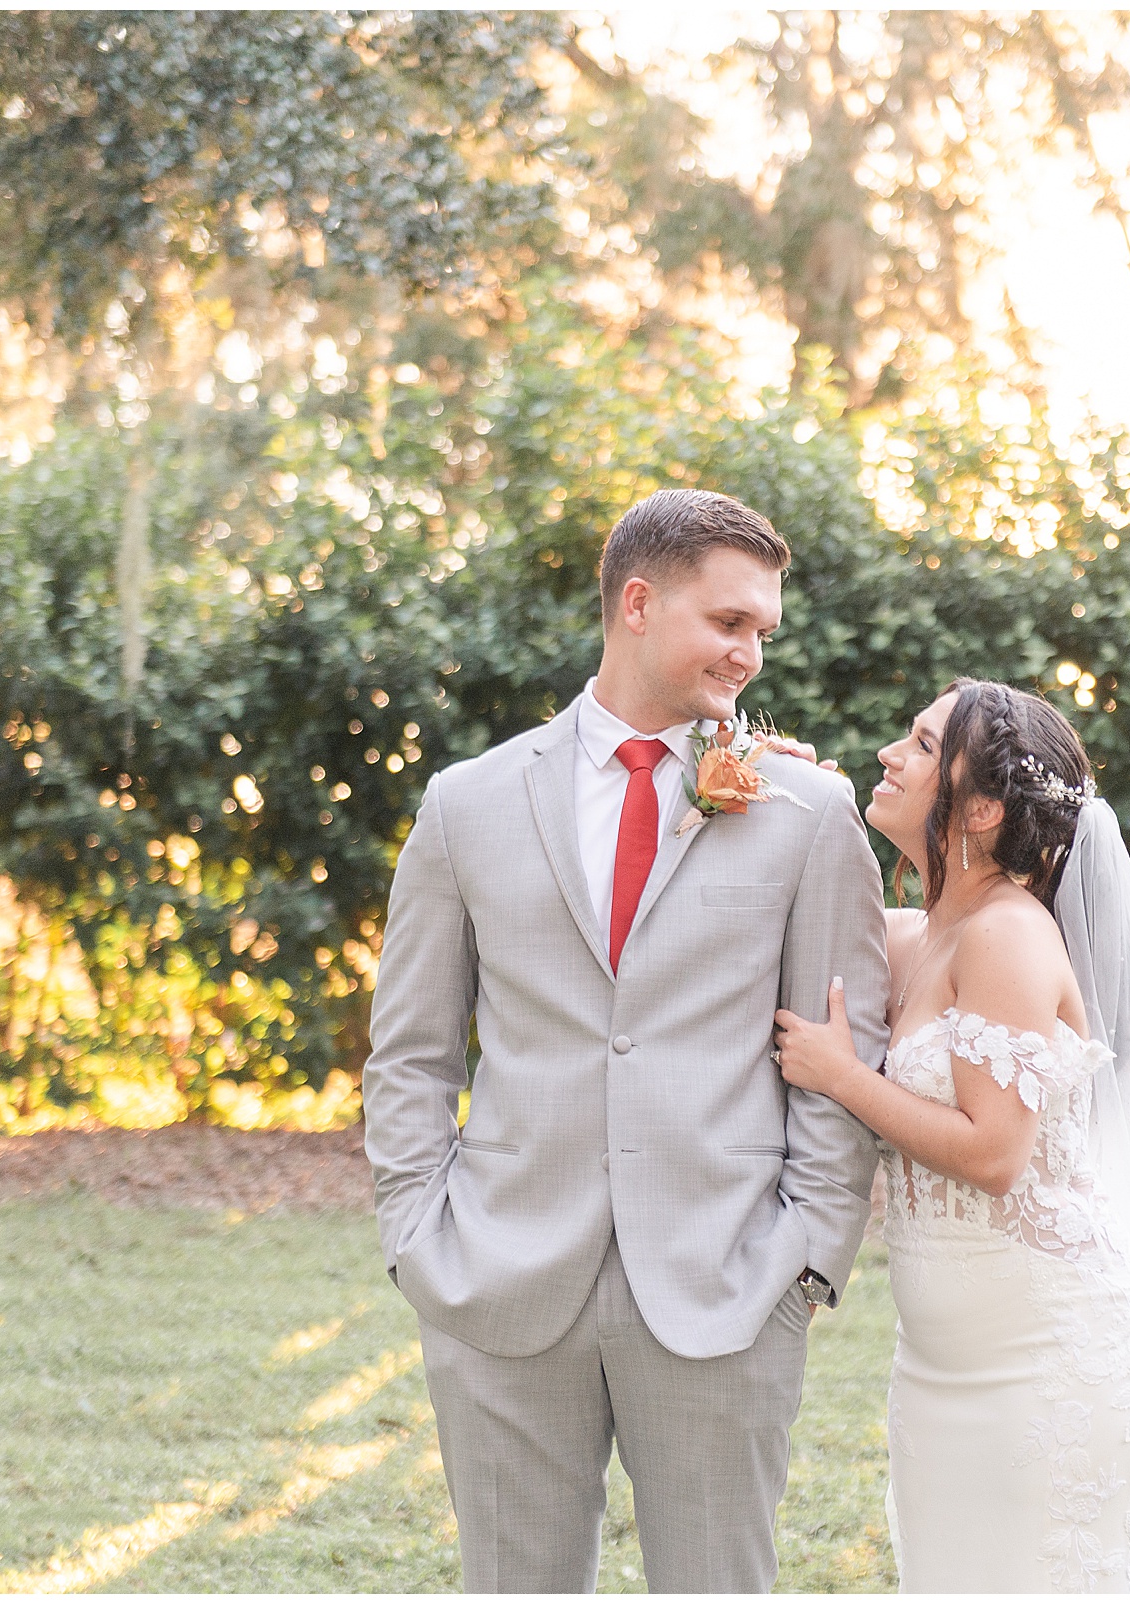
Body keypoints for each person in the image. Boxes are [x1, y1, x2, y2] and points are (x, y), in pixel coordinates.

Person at [363, 488, 889, 1593]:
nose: (751, 653)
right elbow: (411, 1048)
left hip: (730, 1283)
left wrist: (806, 1256)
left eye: (762, 632)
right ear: (638, 603)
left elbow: (846, 1053)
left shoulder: (808, 811)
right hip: (496, 1278)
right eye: (729, 623)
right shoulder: (466, 804)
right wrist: (419, 1230)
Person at [774, 678, 1130, 1593]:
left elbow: (995, 1154)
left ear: (982, 809)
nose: (889, 754)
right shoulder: (915, 935)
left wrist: (843, 1077)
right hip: (939, 1366)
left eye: (922, 746)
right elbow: (781, 919)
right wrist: (770, 787)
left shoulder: (1007, 935)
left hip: (1043, 1358)